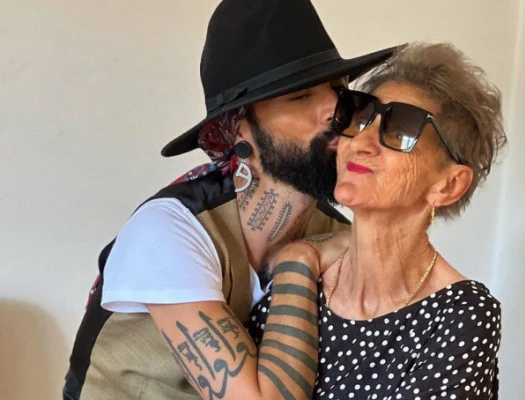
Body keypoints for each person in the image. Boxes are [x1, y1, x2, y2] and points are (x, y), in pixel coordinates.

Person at [62, 1, 394, 399]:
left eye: (338, 91)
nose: (334, 110)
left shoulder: (339, 233)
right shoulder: (169, 230)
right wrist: (300, 260)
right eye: (300, 96)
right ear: (239, 128)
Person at [248, 42, 507, 399]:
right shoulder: (301, 277)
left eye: (400, 132)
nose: (361, 142)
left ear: (448, 186)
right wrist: (296, 262)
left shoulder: (463, 315)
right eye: (361, 118)